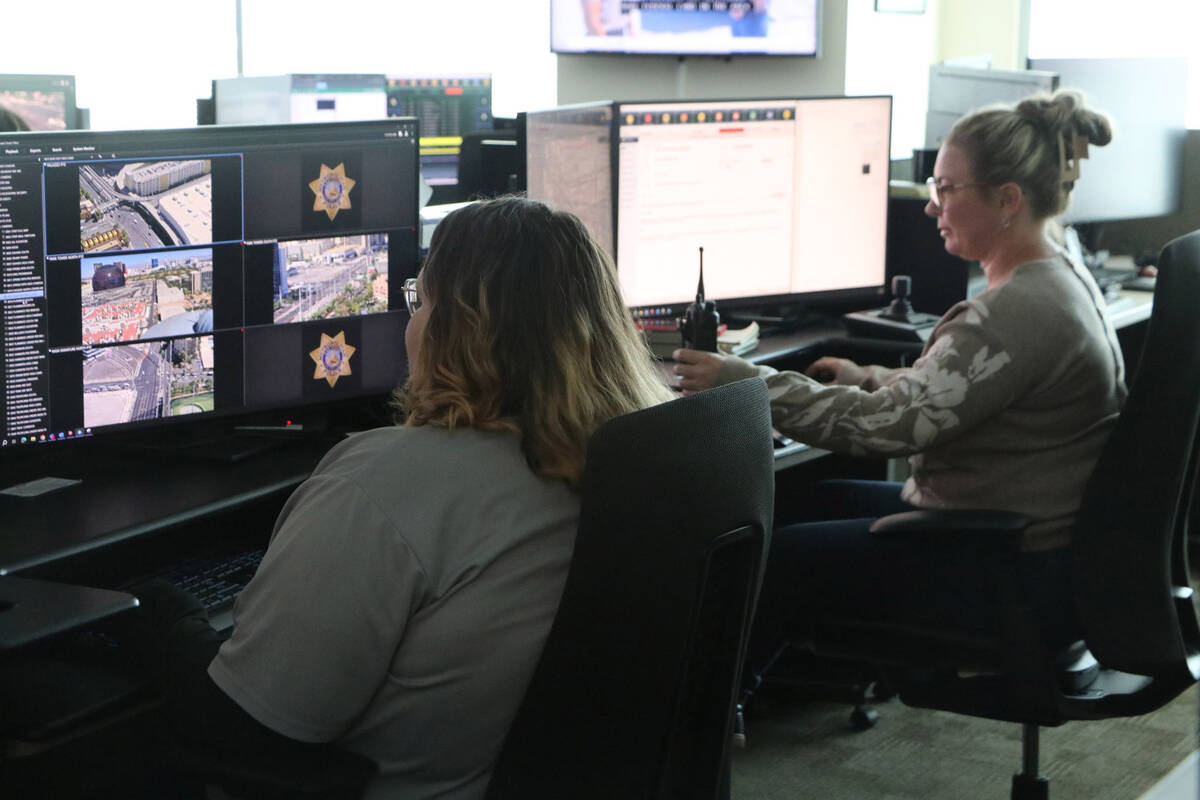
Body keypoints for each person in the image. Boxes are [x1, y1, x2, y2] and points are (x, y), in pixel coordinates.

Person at [132, 197, 675, 798]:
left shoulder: (386, 481)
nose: (409, 323)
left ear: (459, 328)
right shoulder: (645, 457)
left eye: (423, 301)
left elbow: (252, 727)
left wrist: (157, 613)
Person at [673, 89, 1123, 647]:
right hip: (1021, 536)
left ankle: (711, 722)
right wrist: (867, 377)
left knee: (772, 556)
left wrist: (746, 384)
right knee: (803, 501)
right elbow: (956, 388)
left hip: (1010, 567)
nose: (932, 205)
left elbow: (887, 427)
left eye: (946, 188)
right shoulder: (1058, 272)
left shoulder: (1011, 314)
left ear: (1007, 199)